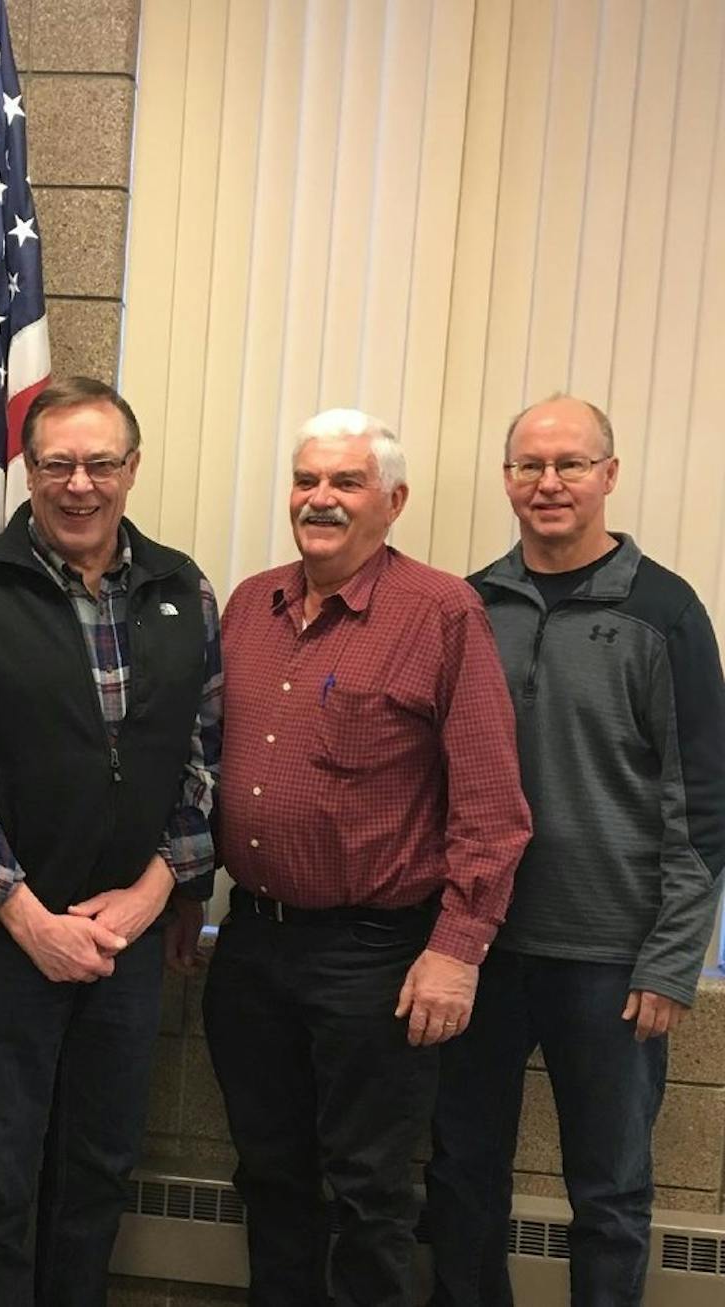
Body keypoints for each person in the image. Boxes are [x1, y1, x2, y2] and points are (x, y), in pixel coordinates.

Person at [207, 408, 532, 1307]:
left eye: (346, 483)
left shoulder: (441, 612)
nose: (321, 499)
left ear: (392, 501)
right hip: (253, 945)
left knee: (369, 1193)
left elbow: (493, 807)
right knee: (268, 1176)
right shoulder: (249, 605)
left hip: (376, 956)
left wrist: (457, 949)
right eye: (308, 480)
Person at [0, 376, 222, 1306]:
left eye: (100, 463)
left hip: (126, 937)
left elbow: (207, 753)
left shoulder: (182, 587)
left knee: (96, 1171)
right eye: (57, 464)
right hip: (10, 939)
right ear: (29, 473)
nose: (79, 483)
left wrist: (154, 890)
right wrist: (26, 914)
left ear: (132, 469)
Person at [424, 395, 725, 1306]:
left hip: (612, 959)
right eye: (528, 465)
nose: (547, 483)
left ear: (609, 475)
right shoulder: (470, 604)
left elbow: (703, 804)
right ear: (507, 477)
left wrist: (673, 961)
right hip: (484, 947)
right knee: (460, 1173)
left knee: (611, 1189)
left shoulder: (664, 613)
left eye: (569, 464)